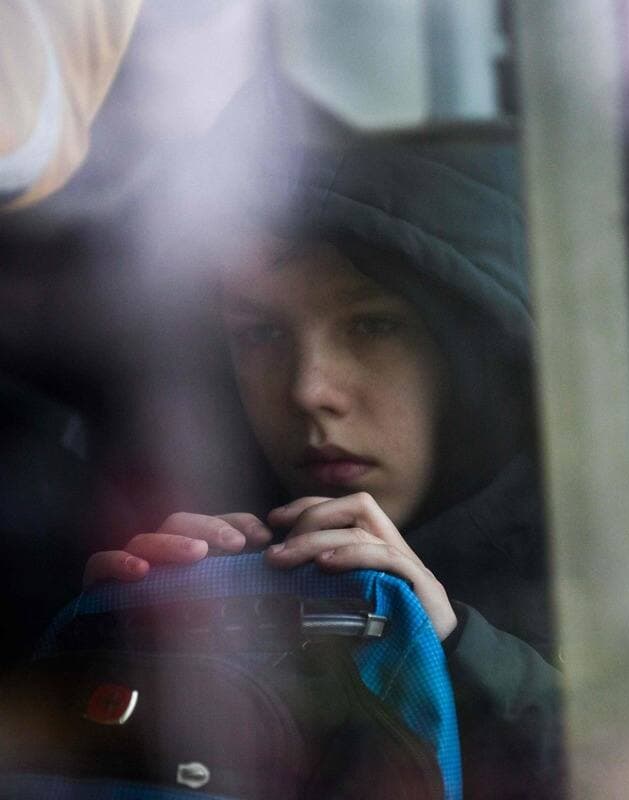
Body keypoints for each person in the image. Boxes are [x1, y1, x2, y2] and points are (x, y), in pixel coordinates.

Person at [81, 116, 561, 800]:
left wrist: (457, 653)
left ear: (474, 358)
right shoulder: (200, 542)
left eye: (373, 325)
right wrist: (104, 663)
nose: (309, 391)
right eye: (261, 334)